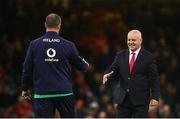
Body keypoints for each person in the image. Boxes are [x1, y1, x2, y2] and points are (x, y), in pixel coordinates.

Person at [21, 13, 89, 118]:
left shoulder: (34, 44)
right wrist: (86, 65)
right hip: (64, 93)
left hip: (42, 93)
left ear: (45, 25)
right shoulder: (68, 45)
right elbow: (82, 66)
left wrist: (25, 88)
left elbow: (27, 69)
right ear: (59, 25)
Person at [103, 29, 160, 117]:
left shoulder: (148, 57)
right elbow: (112, 69)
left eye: (133, 40)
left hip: (140, 101)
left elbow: (154, 79)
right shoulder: (120, 55)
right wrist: (107, 74)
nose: (130, 42)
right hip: (123, 100)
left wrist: (155, 97)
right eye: (129, 40)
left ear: (140, 40)